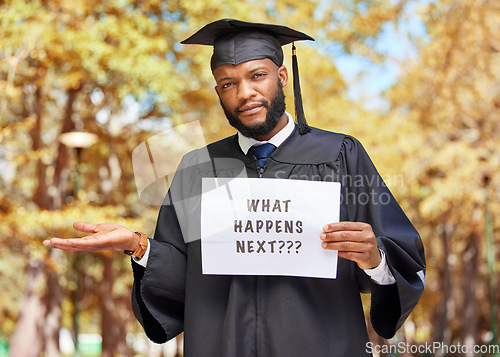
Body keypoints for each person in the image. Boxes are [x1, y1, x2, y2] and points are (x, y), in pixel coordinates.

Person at [44, 19, 425, 356]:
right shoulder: (197, 169)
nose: (244, 93)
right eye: (229, 83)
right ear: (218, 93)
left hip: (320, 342)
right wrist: (138, 245)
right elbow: (184, 277)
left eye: (257, 75)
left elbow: (396, 260)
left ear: (281, 76)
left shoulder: (340, 154)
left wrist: (374, 258)